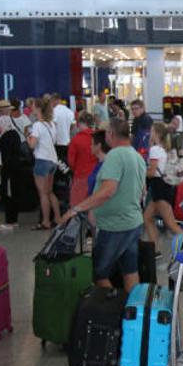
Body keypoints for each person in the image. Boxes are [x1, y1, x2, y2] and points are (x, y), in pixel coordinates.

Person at [62, 119, 146, 292]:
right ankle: (132, 306)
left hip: (115, 226)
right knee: (130, 271)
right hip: (133, 222)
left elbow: (107, 191)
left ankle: (111, 304)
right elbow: (142, 190)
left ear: (111, 134)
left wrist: (77, 208)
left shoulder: (115, 155)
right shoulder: (137, 156)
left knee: (99, 273)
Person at [143, 122, 183, 247]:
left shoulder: (155, 150)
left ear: (156, 133)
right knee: (147, 218)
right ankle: (154, 249)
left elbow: (152, 172)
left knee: (170, 223)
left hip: (159, 188)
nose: (149, 133)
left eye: (151, 131)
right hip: (163, 187)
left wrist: (140, 171)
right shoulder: (164, 149)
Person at [0, 112, 34, 232]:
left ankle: (10, 221)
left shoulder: (5, 136)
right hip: (16, 169)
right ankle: (13, 220)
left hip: (8, 170)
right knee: (14, 194)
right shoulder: (15, 134)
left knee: (8, 195)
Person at [27, 99, 59, 231]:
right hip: (53, 160)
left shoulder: (37, 125)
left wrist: (28, 136)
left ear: (38, 108)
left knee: (43, 193)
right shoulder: (51, 124)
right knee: (50, 191)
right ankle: (57, 218)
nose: (31, 108)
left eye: (33, 106)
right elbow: (54, 141)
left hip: (42, 160)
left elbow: (32, 145)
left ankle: (46, 221)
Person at [66, 112, 97, 209]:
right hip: (97, 175)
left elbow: (71, 161)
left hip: (81, 175)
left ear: (80, 123)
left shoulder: (76, 139)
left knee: (77, 206)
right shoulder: (98, 137)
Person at [50, 93, 75, 163]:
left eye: (51, 101)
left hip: (57, 142)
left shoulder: (54, 111)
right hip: (67, 142)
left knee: (59, 163)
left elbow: (53, 125)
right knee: (66, 162)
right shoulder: (70, 111)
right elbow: (73, 126)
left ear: (55, 100)